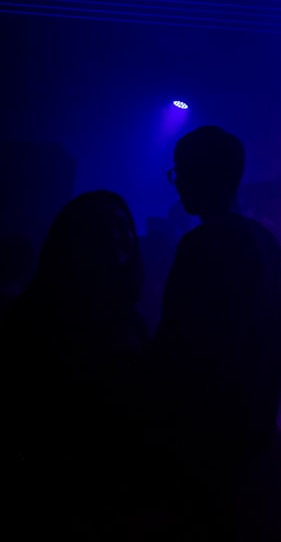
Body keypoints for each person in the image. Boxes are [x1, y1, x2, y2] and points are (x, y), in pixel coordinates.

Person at [151, 126, 281, 535]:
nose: (178, 183)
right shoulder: (269, 246)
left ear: (206, 175)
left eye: (181, 172)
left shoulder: (203, 244)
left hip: (203, 441)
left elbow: (177, 346)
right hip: (254, 437)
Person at [0, 191, 148, 536]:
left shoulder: (131, 320)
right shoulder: (37, 315)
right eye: (104, 227)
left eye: (122, 225)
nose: (117, 235)